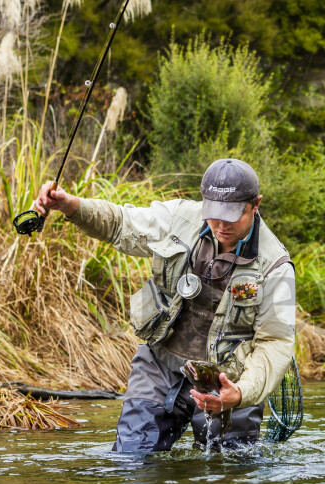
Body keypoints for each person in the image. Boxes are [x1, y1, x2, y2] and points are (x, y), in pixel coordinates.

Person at [32, 158, 296, 451]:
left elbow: (275, 343)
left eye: (232, 215)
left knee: (227, 477)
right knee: (133, 460)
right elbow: (121, 224)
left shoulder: (276, 266)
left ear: (255, 204)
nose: (221, 225)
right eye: (214, 213)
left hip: (228, 380)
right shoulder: (180, 218)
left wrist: (241, 393)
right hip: (160, 363)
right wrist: (70, 206)